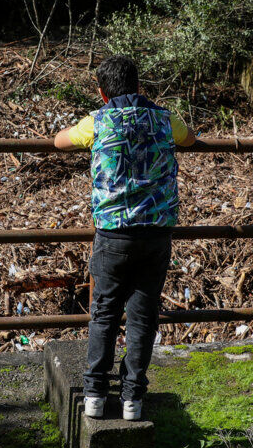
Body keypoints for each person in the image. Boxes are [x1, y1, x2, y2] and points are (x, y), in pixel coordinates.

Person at [54, 55, 197, 421]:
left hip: (113, 234)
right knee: (143, 316)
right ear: (139, 86)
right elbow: (191, 139)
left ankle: (95, 397)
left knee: (103, 314)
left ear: (102, 93)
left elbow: (60, 141)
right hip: (156, 233)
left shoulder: (98, 121)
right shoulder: (165, 118)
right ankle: (133, 399)